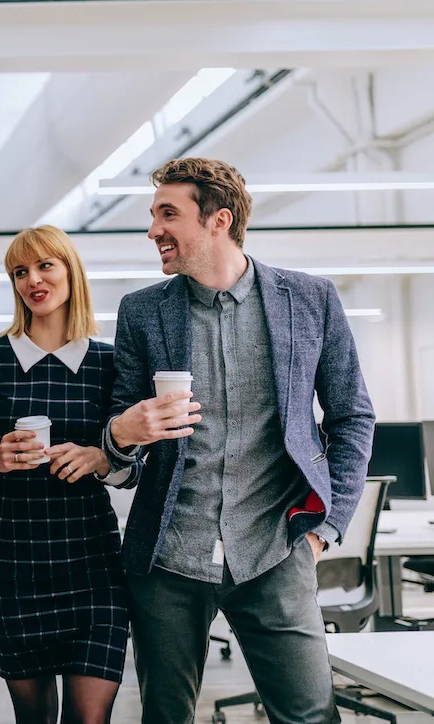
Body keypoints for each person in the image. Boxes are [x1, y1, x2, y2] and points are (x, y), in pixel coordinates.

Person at [101, 157, 375, 724]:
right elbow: (120, 447)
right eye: (153, 215)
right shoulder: (143, 312)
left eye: (167, 214)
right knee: (165, 716)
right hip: (169, 555)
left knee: (308, 715)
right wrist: (123, 435)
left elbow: (351, 416)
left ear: (219, 220)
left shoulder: (310, 300)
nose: (153, 230)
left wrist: (325, 528)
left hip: (276, 548)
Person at [0, 225, 128, 724]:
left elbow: (132, 469)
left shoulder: (108, 362)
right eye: (20, 271)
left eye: (45, 265)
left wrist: (103, 458)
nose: (33, 279)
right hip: (14, 560)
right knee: (32, 717)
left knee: (89, 719)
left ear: (71, 270)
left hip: (92, 561)